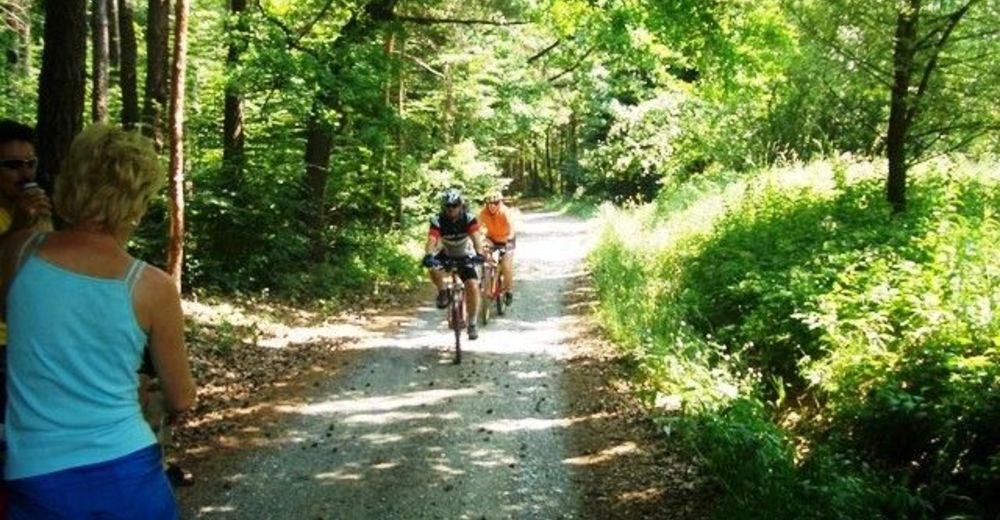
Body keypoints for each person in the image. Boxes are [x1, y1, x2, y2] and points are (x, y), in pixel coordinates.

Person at [0, 124, 196, 519]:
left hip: (36, 476)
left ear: (70, 180)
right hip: (128, 470)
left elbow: (22, 326)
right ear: (139, 197)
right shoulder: (151, 286)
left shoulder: (17, 252)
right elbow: (182, 398)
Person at [423, 188, 486, 340]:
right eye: (448, 206)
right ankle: (443, 291)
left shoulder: (468, 218)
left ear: (461, 205)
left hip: (465, 254)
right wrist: (428, 255)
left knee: (472, 285)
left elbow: (476, 238)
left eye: (455, 205)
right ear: (443, 207)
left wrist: (480, 254)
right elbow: (432, 240)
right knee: (431, 267)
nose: (452, 209)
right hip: (447, 253)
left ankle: (472, 323)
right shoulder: (437, 220)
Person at [477, 191, 517, 305]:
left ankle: (508, 291)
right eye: (489, 203)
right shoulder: (483, 213)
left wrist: (509, 239)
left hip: (506, 239)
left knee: (505, 265)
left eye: (495, 203)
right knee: (484, 254)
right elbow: (477, 228)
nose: (492, 206)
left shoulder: (505, 212)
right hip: (492, 239)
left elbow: (512, 229)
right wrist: (478, 238)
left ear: (500, 203)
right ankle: (486, 281)